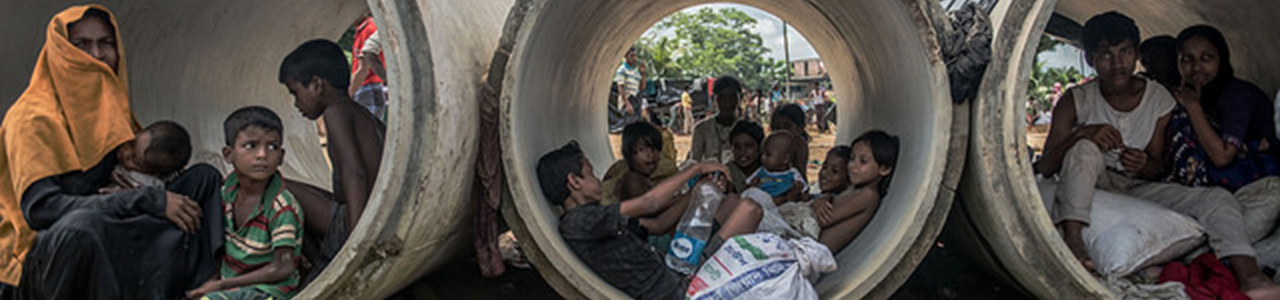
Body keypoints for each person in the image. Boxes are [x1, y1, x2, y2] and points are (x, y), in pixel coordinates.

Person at [1032, 12, 1280, 299]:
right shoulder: (1075, 100)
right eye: (1105, 55)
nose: (1116, 63)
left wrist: (1143, 163)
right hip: (1092, 179)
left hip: (1136, 185)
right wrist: (1081, 134)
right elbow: (1046, 167)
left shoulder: (1159, 98)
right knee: (1085, 150)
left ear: (1136, 54)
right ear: (1089, 59)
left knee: (1217, 199)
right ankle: (1074, 242)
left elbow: (1157, 166)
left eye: (1124, 52)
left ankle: (1250, 277)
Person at [1, 6, 222, 299]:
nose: (97, 55)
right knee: (84, 227)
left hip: (109, 223)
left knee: (203, 179)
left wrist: (148, 196)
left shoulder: (110, 108)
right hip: (44, 256)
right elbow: (42, 210)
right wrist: (147, 200)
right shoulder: (32, 118)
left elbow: (144, 170)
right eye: (81, 44)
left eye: (106, 43)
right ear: (60, 52)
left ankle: (201, 290)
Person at [536, 141, 761, 300]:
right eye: (591, 173)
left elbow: (658, 225)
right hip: (680, 287)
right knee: (750, 209)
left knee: (731, 202)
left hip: (675, 264)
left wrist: (695, 192)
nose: (597, 179)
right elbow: (650, 203)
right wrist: (697, 168)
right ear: (574, 181)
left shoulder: (597, 219)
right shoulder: (579, 222)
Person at [277, 39, 385, 280]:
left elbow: (354, 172)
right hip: (365, 212)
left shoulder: (335, 111)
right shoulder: (362, 114)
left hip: (353, 220)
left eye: (296, 93)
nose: (296, 103)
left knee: (274, 184)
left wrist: (357, 241)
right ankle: (318, 264)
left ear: (316, 84)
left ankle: (314, 266)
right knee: (296, 189)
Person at [187, 107, 304, 300]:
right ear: (228, 154)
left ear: (281, 157)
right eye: (251, 145)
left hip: (269, 290)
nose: (262, 155)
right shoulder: (226, 193)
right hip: (232, 287)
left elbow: (283, 267)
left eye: (272, 147)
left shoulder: (281, 206)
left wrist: (223, 284)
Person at [1164, 25, 1279, 192]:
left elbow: (1222, 158)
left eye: (1206, 58)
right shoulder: (1186, 94)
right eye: (1187, 59)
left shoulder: (1239, 94)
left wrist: (1193, 107)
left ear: (1222, 59)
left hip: (1258, 179)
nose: (1196, 67)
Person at [810, 131, 897, 252]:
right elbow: (835, 199)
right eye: (852, 158)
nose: (852, 165)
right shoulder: (855, 187)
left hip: (811, 252)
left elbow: (823, 220)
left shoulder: (868, 195)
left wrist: (817, 204)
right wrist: (825, 198)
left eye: (863, 161)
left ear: (884, 169)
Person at [105, 121, 195, 190]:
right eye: (131, 143)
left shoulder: (143, 184)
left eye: (134, 159)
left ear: (151, 172)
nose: (125, 153)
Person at [688, 76, 743, 164]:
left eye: (732, 97)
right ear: (714, 99)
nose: (727, 102)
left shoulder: (747, 128)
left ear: (740, 99)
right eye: (722, 97)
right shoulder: (701, 129)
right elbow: (694, 161)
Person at [348, 14, 388, 122]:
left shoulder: (370, 28)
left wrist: (348, 95)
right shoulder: (360, 32)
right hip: (364, 89)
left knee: (367, 132)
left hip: (370, 89)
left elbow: (363, 69)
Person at [746, 132, 808, 199]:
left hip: (784, 201)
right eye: (762, 153)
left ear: (785, 159)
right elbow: (747, 185)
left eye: (768, 154)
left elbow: (804, 191)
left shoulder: (793, 174)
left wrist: (798, 190)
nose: (762, 157)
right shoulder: (761, 171)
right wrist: (753, 185)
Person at [614, 122, 663, 201]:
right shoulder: (633, 182)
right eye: (642, 150)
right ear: (628, 154)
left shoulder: (644, 178)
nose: (651, 155)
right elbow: (648, 209)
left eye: (654, 149)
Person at [771, 104, 811, 182]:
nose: (781, 131)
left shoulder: (799, 144)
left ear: (800, 128)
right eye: (777, 128)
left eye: (787, 127)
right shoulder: (772, 144)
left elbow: (800, 171)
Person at [728, 121, 766, 193]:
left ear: (760, 148)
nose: (742, 151)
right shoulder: (728, 173)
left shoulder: (768, 172)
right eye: (737, 146)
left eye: (748, 146)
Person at [615, 47, 646, 122]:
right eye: (632, 56)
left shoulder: (635, 71)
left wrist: (642, 74)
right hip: (628, 99)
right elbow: (620, 87)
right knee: (630, 123)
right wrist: (627, 104)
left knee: (637, 123)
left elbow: (642, 87)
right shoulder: (622, 70)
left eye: (635, 56)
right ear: (626, 56)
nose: (634, 58)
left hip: (636, 99)